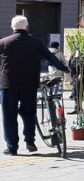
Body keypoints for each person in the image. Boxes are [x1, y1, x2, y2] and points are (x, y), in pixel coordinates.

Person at [0, 16, 69, 155]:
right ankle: (30, 141)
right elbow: (51, 58)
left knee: (9, 116)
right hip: (30, 85)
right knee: (29, 114)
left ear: (12, 27)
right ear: (27, 27)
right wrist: (64, 68)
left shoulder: (3, 42)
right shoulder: (36, 42)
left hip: (8, 85)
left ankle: (12, 147)